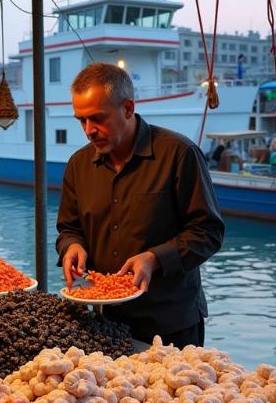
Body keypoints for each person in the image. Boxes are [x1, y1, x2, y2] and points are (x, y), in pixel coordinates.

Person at [56, 62, 224, 348]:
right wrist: (71, 246)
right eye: (81, 120)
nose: (88, 130)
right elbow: (69, 228)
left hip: (171, 322)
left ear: (128, 108)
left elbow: (208, 232)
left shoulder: (179, 154)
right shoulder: (78, 165)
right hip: (104, 321)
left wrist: (155, 258)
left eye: (97, 118)